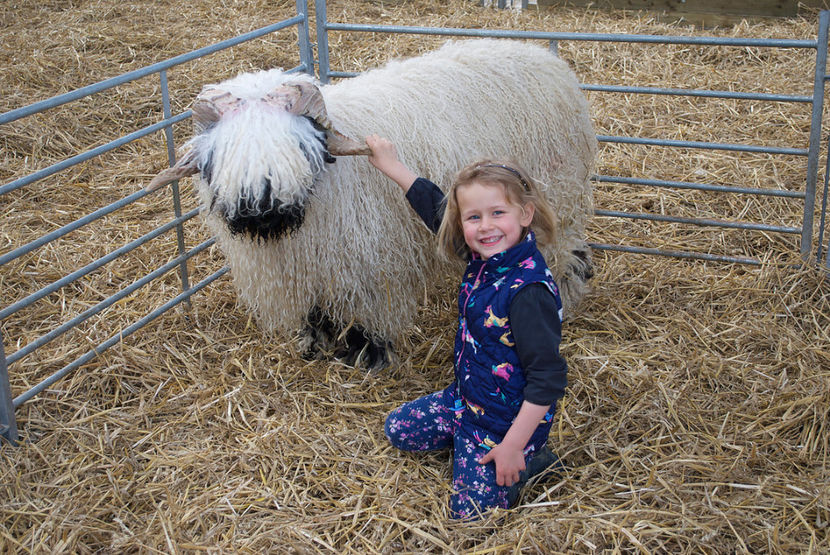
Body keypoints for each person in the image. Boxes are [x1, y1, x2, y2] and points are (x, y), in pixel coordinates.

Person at [365, 134, 568, 520]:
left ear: (525, 215)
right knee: (398, 430)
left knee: (471, 517)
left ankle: (531, 457)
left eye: (497, 214)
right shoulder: (486, 258)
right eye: (473, 217)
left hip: (504, 424)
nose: (485, 227)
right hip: (466, 400)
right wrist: (391, 165)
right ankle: (466, 443)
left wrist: (510, 446)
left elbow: (548, 379)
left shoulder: (528, 293)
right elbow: (437, 210)